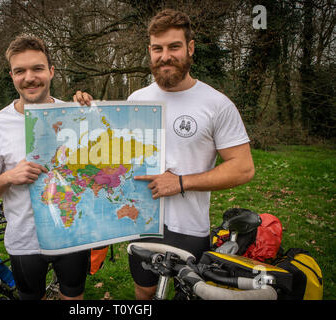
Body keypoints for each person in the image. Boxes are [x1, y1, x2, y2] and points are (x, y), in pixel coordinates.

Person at [74, 9, 255, 300]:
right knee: (144, 291)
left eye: (174, 47)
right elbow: (117, 154)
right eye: (158, 49)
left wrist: (181, 182)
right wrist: (87, 115)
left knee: (187, 293)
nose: (165, 56)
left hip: (189, 225)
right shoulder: (137, 100)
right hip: (142, 220)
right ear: (150, 51)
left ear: (190, 48)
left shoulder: (216, 104)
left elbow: (243, 168)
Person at [0, 35, 88, 300]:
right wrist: (9, 177)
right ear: (12, 76)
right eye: (20, 71)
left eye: (37, 68)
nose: (29, 77)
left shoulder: (75, 113)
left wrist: (92, 112)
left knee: (73, 296)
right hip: (24, 241)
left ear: (51, 71)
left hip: (72, 233)